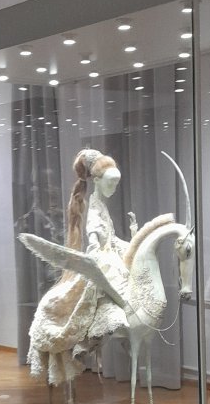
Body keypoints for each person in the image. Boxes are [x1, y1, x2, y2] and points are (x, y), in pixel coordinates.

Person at [27, 149, 136, 385]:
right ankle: (92, 338)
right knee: (113, 300)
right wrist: (103, 255)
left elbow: (112, 240)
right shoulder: (94, 210)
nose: (114, 188)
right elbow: (96, 244)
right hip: (101, 264)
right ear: (97, 180)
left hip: (110, 259)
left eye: (116, 183)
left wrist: (135, 241)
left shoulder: (102, 207)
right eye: (110, 182)